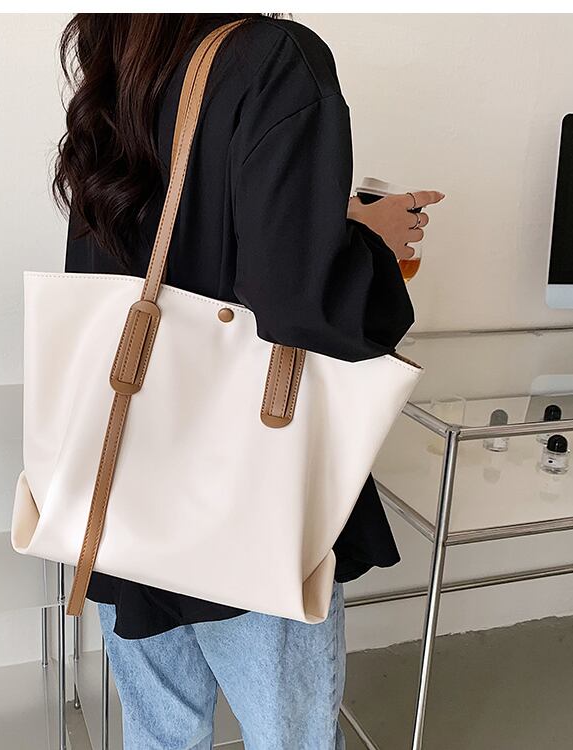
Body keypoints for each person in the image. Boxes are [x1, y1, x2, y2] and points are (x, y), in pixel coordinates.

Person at [56, 13, 444, 750]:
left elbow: (163, 244)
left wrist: (326, 221)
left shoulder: (122, 53)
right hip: (244, 489)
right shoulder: (275, 57)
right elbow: (298, 302)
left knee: (161, 734)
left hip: (120, 476)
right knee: (289, 736)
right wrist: (372, 243)